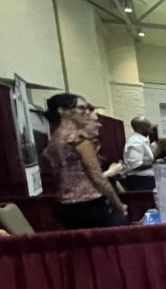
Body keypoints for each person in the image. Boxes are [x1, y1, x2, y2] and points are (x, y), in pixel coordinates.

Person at [41, 93, 127, 229]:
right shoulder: (78, 140)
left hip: (64, 205)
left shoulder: (54, 139)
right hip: (90, 205)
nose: (87, 112)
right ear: (62, 111)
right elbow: (98, 179)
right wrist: (118, 204)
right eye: (81, 108)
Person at [122, 117, 156, 191]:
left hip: (145, 180)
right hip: (140, 182)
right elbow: (136, 165)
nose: (151, 128)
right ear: (139, 128)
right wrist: (156, 162)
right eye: (148, 126)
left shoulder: (142, 140)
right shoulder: (136, 142)